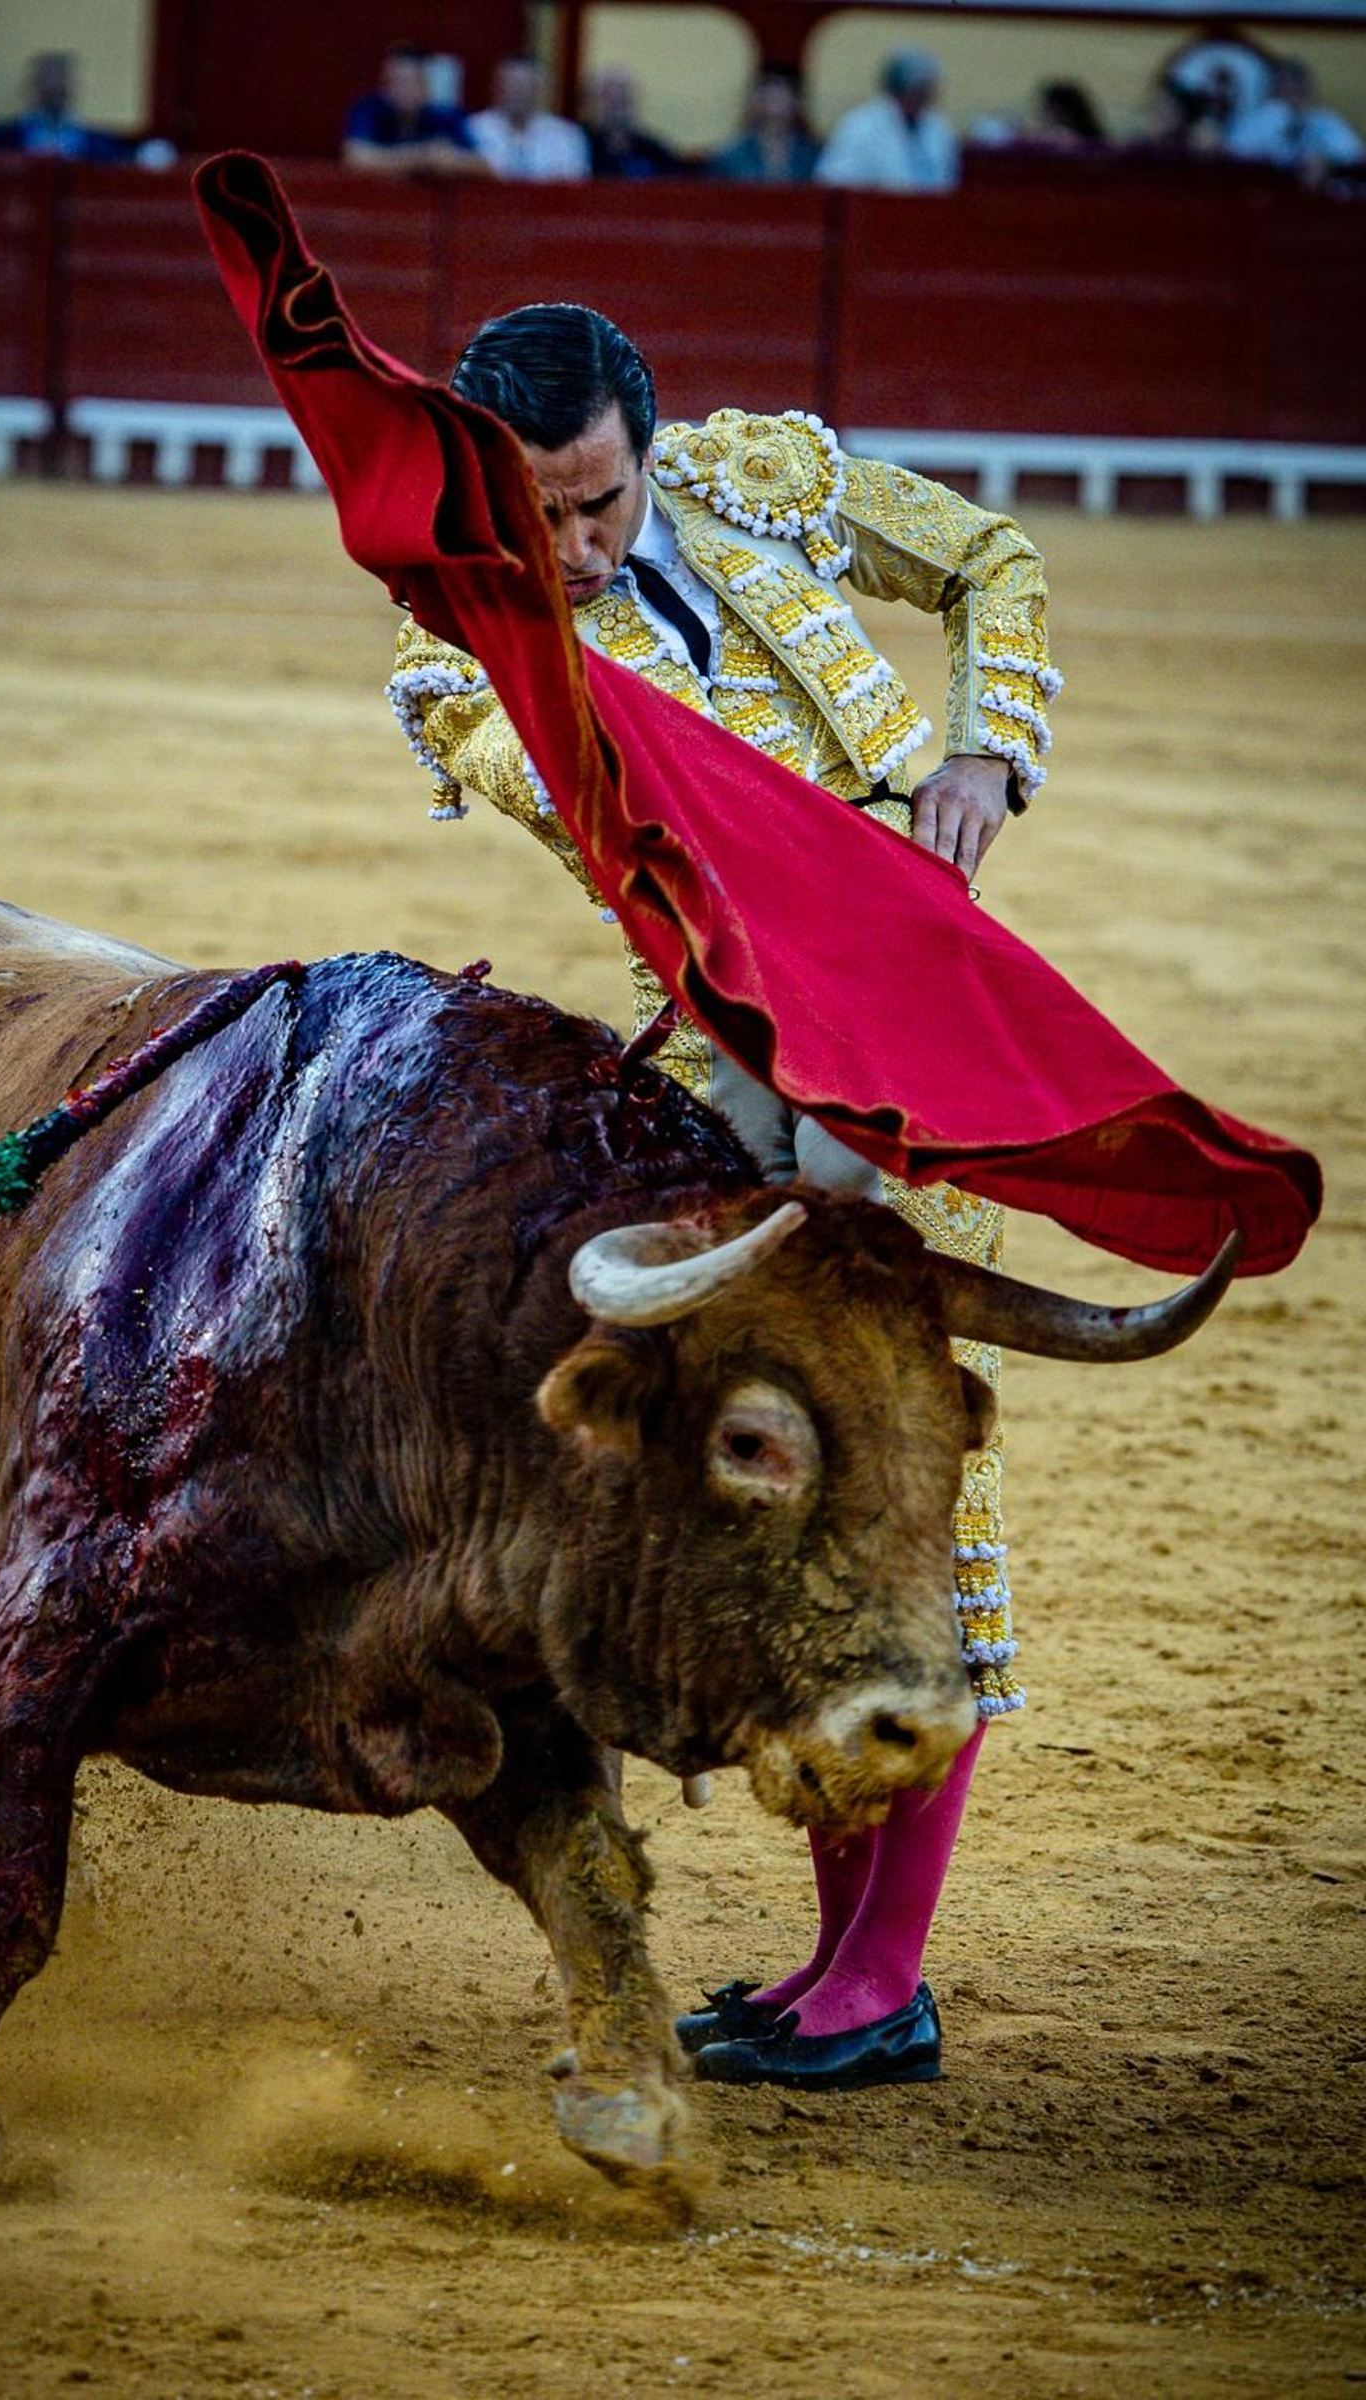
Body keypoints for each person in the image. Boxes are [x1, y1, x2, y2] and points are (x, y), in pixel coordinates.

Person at [386, 305, 1061, 2092]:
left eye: (598, 502)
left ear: (650, 448)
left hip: (920, 1046)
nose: (578, 546)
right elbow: (609, 820)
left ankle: (879, 1981)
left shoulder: (764, 475)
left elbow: (993, 555)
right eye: (536, 511)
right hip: (732, 1081)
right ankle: (841, 1961)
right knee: (786, 1536)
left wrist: (986, 752)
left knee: (915, 1518)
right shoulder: (475, 650)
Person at [0, 51, 176, 166]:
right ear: (30, 87)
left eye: (61, 84)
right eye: (47, 84)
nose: (54, 89)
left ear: (72, 88)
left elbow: (128, 160)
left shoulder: (97, 141)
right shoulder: (1, 138)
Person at [815, 48, 959, 191]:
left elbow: (947, 182)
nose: (927, 97)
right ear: (903, 89)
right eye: (920, 90)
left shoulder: (938, 127)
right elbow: (835, 182)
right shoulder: (860, 126)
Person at [342, 43, 485, 177]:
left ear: (426, 86)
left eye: (409, 82)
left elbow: (484, 164)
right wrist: (421, 156)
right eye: (394, 82)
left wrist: (452, 160)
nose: (401, 90)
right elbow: (355, 157)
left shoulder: (444, 116)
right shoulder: (369, 110)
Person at [1227, 57, 1365, 175]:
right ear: (1273, 89)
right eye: (1284, 85)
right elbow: (1236, 151)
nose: (1291, 92)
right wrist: (1279, 115)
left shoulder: (1325, 120)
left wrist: (1325, 161)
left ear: (1307, 90)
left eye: (1297, 86)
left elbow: (1355, 155)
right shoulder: (1258, 119)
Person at [469, 55, 588, 181]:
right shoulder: (474, 129)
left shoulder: (566, 136)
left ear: (541, 90)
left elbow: (574, 183)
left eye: (526, 85)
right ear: (496, 87)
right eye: (512, 85)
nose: (518, 93)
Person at [707, 63, 820, 182]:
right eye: (768, 95)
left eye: (782, 95)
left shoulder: (814, 156)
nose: (775, 106)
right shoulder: (729, 157)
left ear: (797, 102)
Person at [582, 67, 682, 179]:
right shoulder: (578, 145)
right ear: (593, 100)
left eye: (623, 93)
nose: (616, 99)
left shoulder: (654, 151)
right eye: (608, 93)